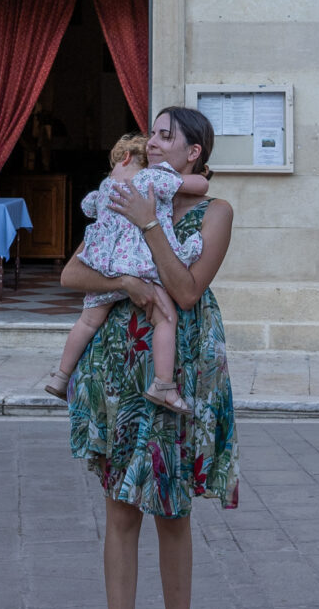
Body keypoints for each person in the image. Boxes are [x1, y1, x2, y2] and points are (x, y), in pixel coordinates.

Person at [59, 104, 239, 609]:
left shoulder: (215, 213)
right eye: (152, 134)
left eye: (166, 136)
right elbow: (70, 275)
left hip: (179, 377)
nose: (152, 142)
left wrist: (150, 226)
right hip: (117, 376)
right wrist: (130, 284)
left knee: (174, 512)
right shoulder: (121, 194)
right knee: (121, 512)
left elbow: (187, 293)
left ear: (194, 155)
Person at [43, 133, 206, 411]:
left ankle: (60, 376)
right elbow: (198, 185)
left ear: (125, 158)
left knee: (87, 322)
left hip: (104, 266)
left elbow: (88, 207)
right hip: (138, 265)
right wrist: (201, 176)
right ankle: (163, 386)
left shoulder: (104, 188)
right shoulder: (148, 179)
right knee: (166, 318)